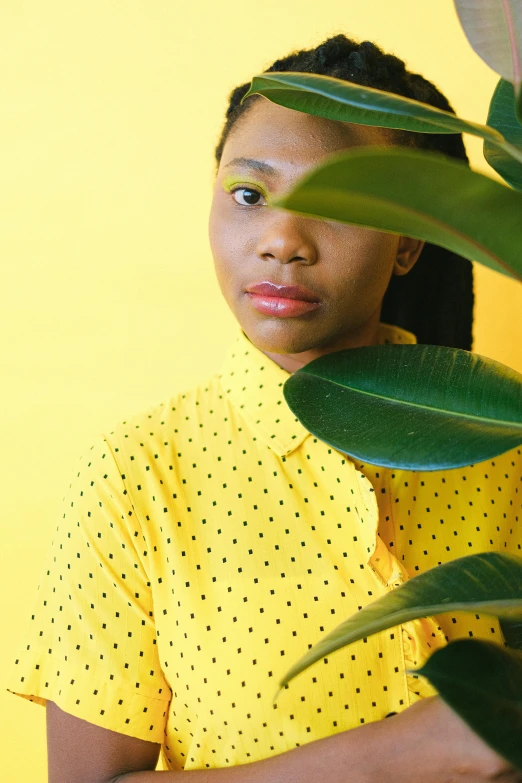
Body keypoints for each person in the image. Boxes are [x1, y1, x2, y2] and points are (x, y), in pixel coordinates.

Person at [6, 33, 522, 783]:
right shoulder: (136, 477)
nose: (282, 240)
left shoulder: (504, 439)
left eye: (341, 204)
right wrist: (398, 757)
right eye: (250, 195)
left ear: (409, 242)